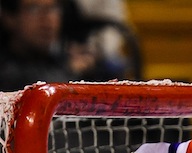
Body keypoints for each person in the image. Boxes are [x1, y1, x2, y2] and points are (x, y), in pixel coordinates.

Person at [0, 0, 132, 92]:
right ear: (9, 18)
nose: (47, 18)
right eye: (34, 8)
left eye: (53, 8)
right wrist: (70, 71)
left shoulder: (66, 60)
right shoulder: (6, 71)